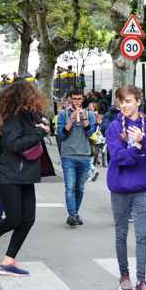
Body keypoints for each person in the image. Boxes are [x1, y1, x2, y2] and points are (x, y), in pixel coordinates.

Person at [0, 80, 49, 276]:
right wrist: (38, 133)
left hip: (27, 175)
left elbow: (36, 134)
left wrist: (42, 128)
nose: (35, 100)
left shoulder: (31, 115)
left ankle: (8, 261)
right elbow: (13, 144)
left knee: (28, 219)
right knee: (14, 219)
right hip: (9, 175)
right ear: (23, 97)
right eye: (31, 96)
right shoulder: (12, 117)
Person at [105, 85, 146, 290]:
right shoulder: (113, 127)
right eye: (121, 102)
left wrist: (143, 140)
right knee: (121, 233)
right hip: (120, 188)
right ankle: (124, 275)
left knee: (142, 235)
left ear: (138, 101)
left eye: (128, 101)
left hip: (142, 189)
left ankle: (141, 280)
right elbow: (118, 157)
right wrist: (137, 150)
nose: (124, 105)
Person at [56, 89, 96, 227]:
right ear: (70, 100)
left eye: (79, 99)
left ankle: (75, 213)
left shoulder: (90, 114)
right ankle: (72, 215)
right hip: (68, 156)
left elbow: (90, 133)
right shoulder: (63, 114)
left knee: (80, 188)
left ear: (83, 99)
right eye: (74, 99)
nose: (77, 101)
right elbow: (61, 135)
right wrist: (71, 121)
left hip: (84, 155)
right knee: (70, 187)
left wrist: (84, 118)